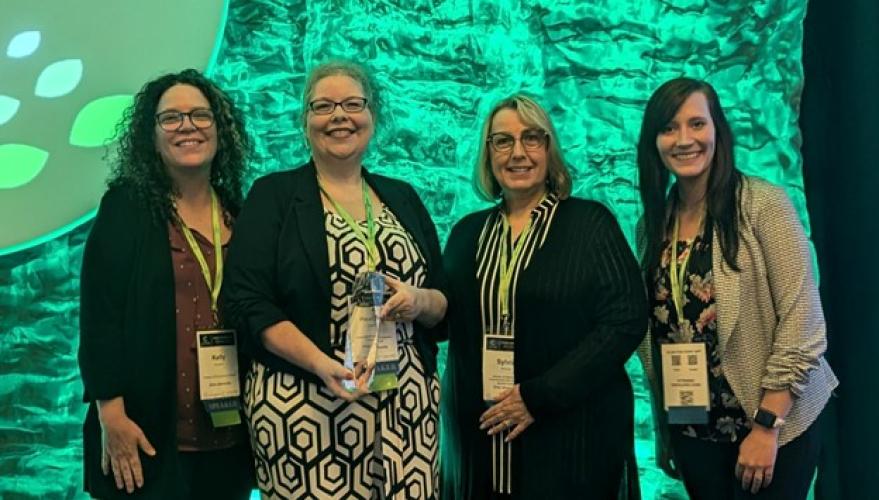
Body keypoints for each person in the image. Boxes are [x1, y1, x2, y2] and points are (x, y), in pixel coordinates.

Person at [221, 60, 448, 499]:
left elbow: (444, 301)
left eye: (352, 104)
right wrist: (321, 365)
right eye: (322, 106)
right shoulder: (274, 195)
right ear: (304, 122)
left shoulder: (403, 195)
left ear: (373, 116)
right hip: (305, 405)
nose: (339, 116)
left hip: (406, 409)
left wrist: (420, 301)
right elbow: (247, 301)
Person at [636, 77, 839, 499]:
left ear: (718, 131)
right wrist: (666, 428)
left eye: (696, 124)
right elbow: (658, 335)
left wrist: (767, 426)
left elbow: (805, 325)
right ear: (653, 141)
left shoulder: (763, 205)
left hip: (774, 425)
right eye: (668, 128)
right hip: (693, 428)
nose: (684, 139)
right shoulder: (652, 225)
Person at [440, 95, 646, 499]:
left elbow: (626, 320)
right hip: (478, 443)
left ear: (549, 149)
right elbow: (447, 319)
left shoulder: (589, 225)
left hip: (570, 438)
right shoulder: (466, 234)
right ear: (488, 153)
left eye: (532, 138)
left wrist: (539, 396)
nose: (518, 152)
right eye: (503, 141)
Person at [78, 69, 254, 498]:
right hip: (144, 432)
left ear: (221, 128)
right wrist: (111, 415)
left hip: (227, 435)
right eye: (171, 118)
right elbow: (100, 316)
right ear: (151, 135)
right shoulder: (126, 207)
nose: (187, 126)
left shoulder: (239, 211)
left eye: (200, 115)